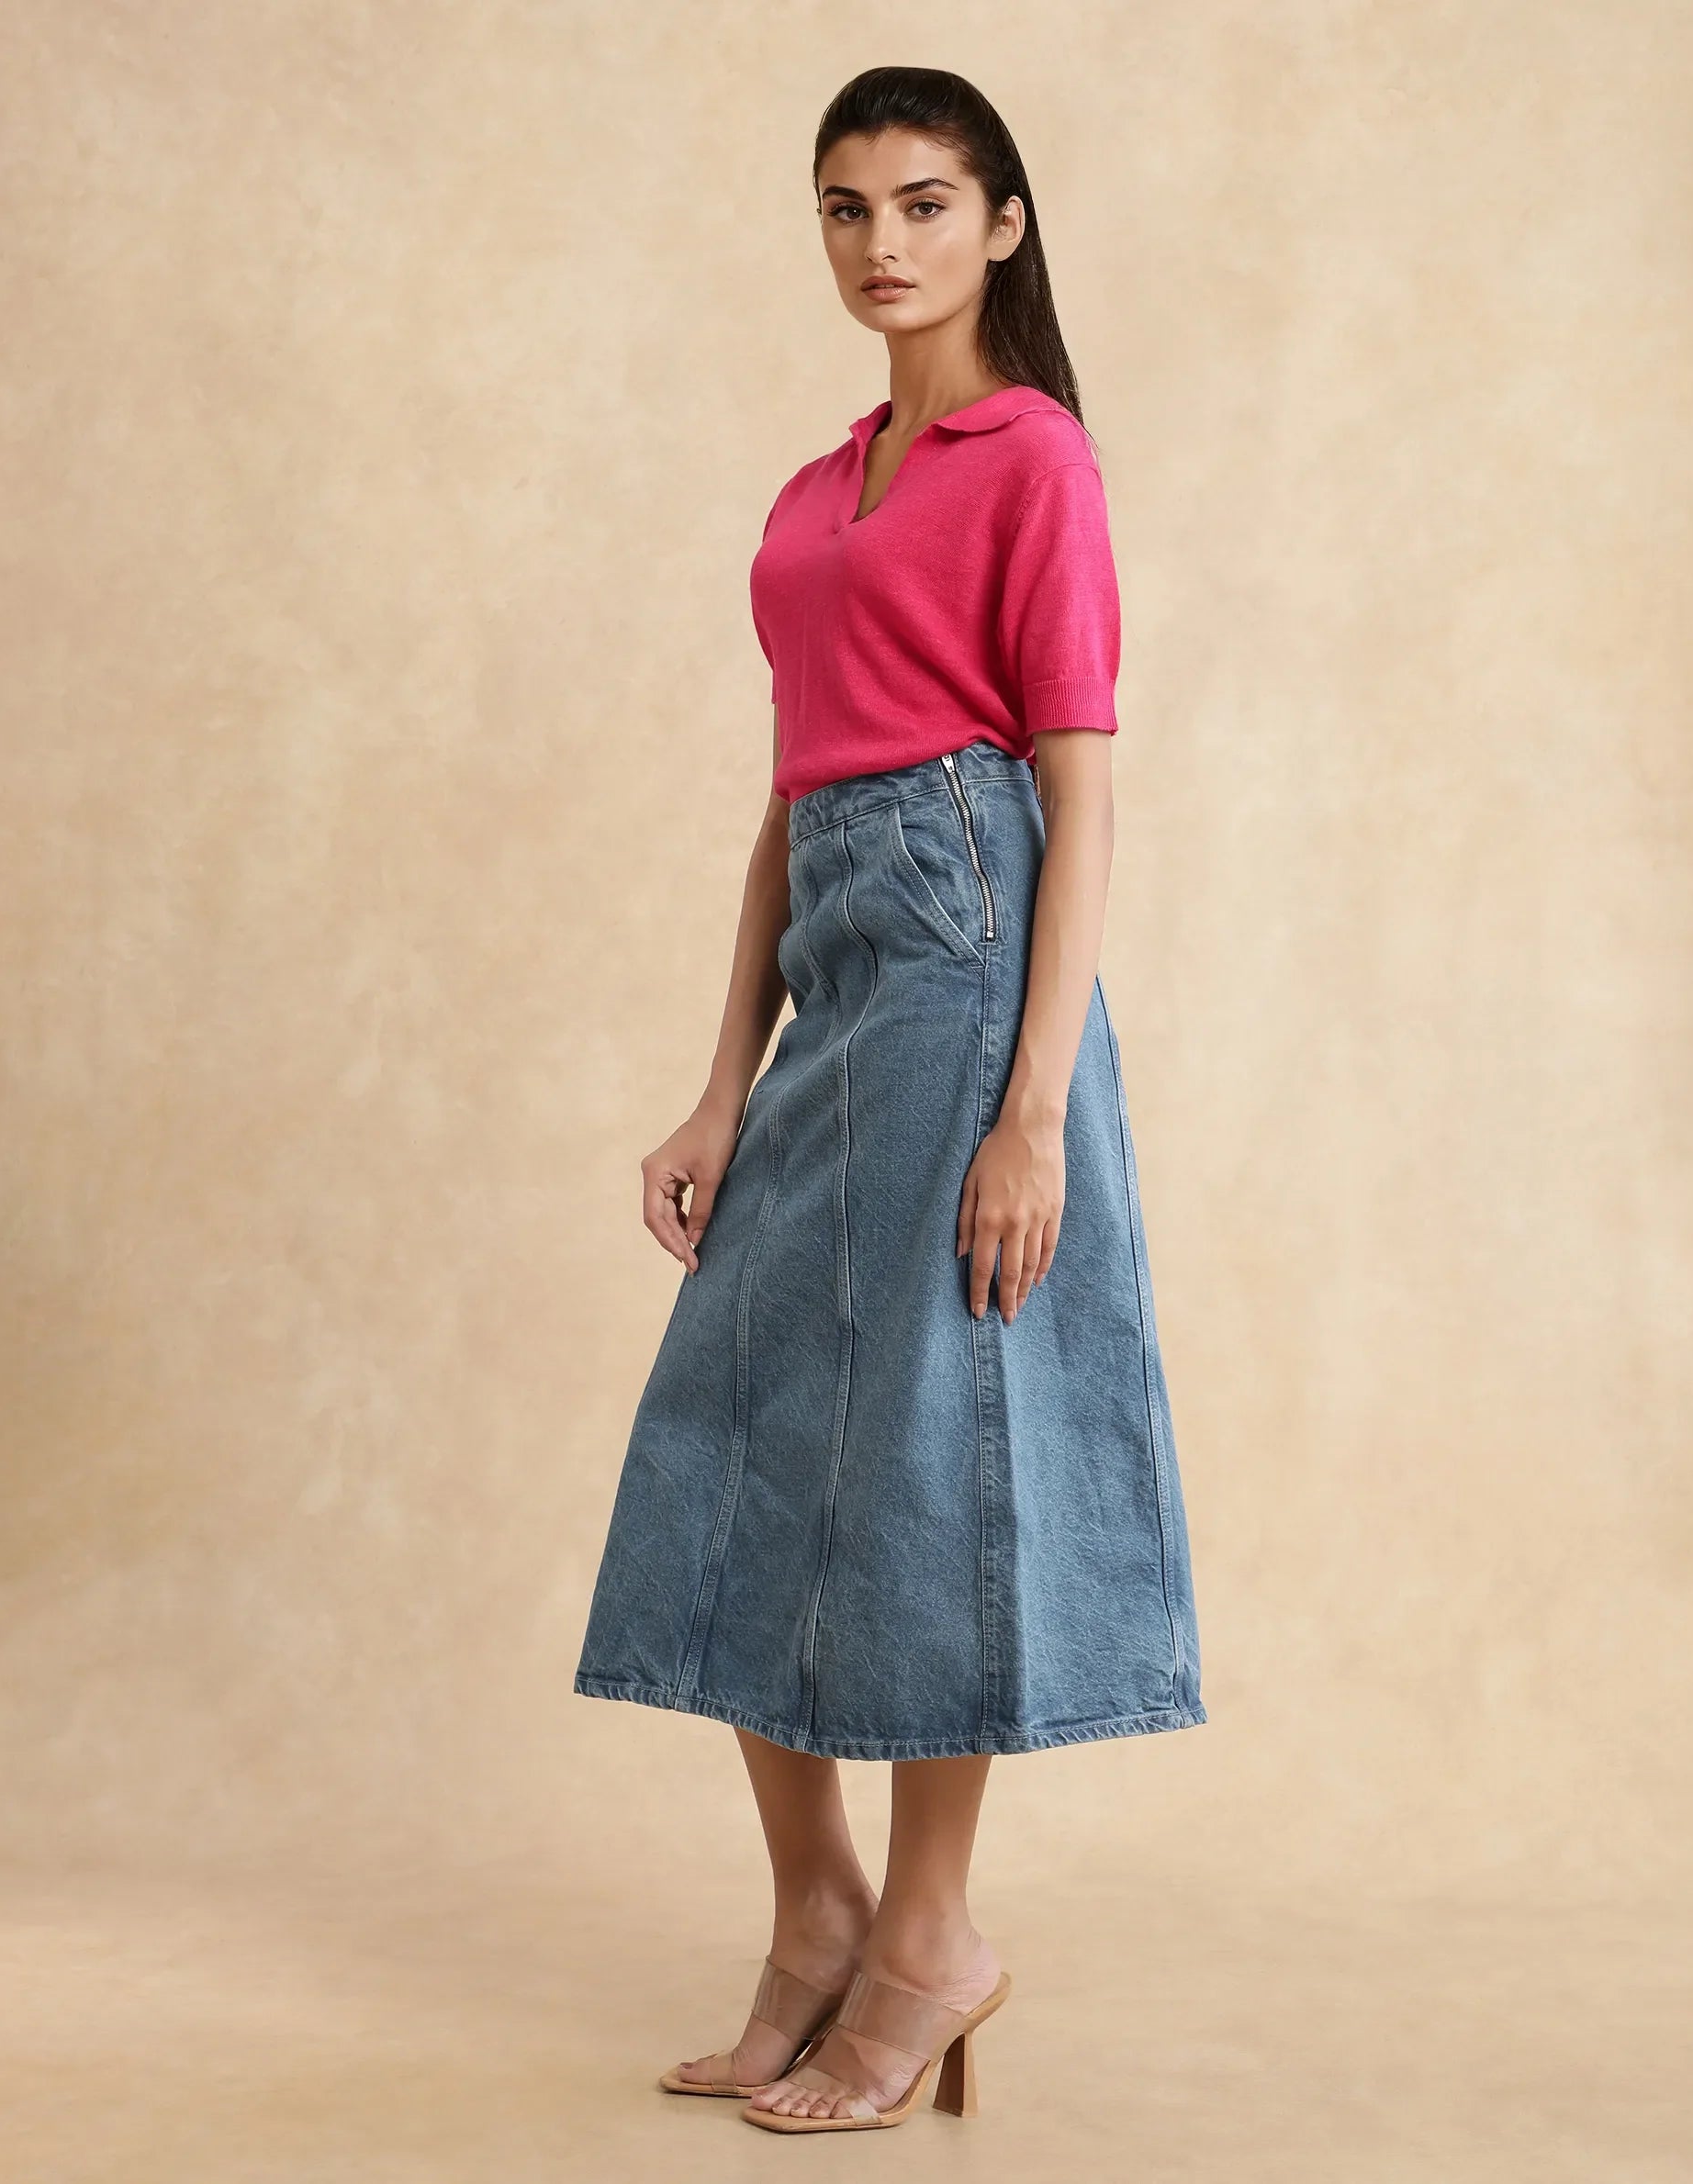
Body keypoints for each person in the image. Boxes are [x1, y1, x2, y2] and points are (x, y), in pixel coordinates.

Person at [573, 65, 1206, 2134]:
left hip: (967, 958)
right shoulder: (813, 490)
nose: (882, 244)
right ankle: (817, 1913)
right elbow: (793, 802)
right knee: (735, 1428)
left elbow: (1080, 798)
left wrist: (1034, 1111)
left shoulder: (1038, 462)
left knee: (937, 1441)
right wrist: (719, 1085)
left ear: (1002, 223)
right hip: (838, 953)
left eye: (925, 202)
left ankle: (930, 1936)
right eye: (846, 208)